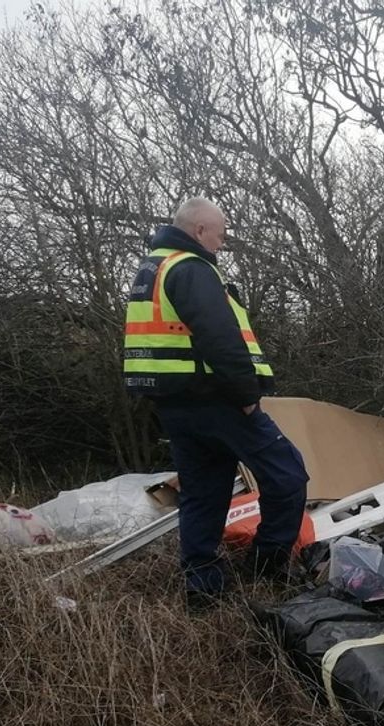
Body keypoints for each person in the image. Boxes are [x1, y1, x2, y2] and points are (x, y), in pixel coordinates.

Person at [123, 197, 308, 609]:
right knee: (288, 474)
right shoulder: (190, 268)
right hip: (218, 399)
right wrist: (246, 397)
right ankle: (267, 566)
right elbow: (220, 337)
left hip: (176, 405)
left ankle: (202, 590)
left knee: (204, 492)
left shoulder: (153, 268)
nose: (223, 241)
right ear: (199, 230)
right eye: (220, 231)